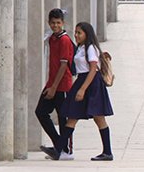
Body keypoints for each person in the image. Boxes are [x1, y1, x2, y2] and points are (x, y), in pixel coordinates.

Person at [41, 22, 114, 161]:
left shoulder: (91, 48)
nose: (76, 35)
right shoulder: (81, 48)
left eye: (79, 33)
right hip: (82, 80)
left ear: (87, 34)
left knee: (99, 117)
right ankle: (59, 149)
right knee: (72, 115)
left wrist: (82, 89)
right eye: (75, 32)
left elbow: (93, 69)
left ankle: (107, 152)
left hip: (91, 84)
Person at [36, 8, 74, 159]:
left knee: (64, 118)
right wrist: (50, 85)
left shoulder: (64, 40)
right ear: (49, 23)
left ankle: (66, 151)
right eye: (53, 23)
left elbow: (63, 65)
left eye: (58, 23)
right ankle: (59, 146)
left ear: (63, 23)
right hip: (51, 83)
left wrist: (53, 87)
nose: (56, 26)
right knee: (41, 112)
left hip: (62, 85)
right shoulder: (52, 38)